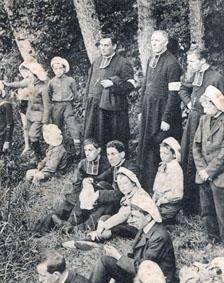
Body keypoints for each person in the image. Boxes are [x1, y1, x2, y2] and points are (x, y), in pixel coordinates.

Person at [89, 193, 178, 283]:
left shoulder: (159, 236)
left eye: (135, 217)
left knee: (105, 261)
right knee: (105, 261)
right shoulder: (145, 228)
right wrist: (114, 278)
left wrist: (118, 256)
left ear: (148, 216)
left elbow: (144, 269)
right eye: (130, 216)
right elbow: (133, 255)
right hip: (143, 276)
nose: (131, 221)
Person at [178, 48, 224, 215]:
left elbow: (221, 103)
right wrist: (189, 103)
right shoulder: (193, 74)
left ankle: (204, 206)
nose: (189, 65)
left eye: (192, 61)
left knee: (204, 158)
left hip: (209, 122)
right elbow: (182, 89)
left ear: (203, 60)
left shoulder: (216, 78)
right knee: (189, 159)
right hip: (193, 120)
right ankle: (189, 205)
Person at [137, 30, 183, 193]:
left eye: (157, 41)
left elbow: (174, 94)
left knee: (157, 146)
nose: (154, 43)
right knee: (145, 145)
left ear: (165, 43)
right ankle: (145, 184)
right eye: (152, 40)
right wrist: (142, 109)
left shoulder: (172, 63)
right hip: (149, 110)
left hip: (162, 112)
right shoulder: (151, 59)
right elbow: (145, 86)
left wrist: (167, 118)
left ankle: (156, 187)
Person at [34, 139, 109, 233]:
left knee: (80, 209)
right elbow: (77, 183)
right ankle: (42, 228)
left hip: (97, 195)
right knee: (64, 207)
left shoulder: (106, 163)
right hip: (81, 191)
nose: (87, 153)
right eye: (85, 150)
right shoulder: (83, 163)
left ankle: (68, 226)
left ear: (98, 150)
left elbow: (107, 183)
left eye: (90, 150)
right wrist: (79, 192)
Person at [82, 34, 135, 150]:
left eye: (106, 45)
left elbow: (131, 85)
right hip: (94, 108)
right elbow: (89, 84)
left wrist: (114, 85)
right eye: (101, 45)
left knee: (110, 139)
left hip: (112, 110)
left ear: (114, 46)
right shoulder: (96, 61)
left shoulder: (122, 62)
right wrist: (85, 105)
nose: (103, 48)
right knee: (92, 138)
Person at [193, 84, 224, 244]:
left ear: (215, 104)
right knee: (207, 210)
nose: (204, 108)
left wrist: (210, 171)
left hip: (220, 176)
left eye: (206, 105)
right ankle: (212, 239)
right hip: (203, 175)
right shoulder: (203, 119)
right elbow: (196, 146)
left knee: (222, 212)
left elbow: (223, 154)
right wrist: (202, 170)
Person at [90, 167, 150, 241]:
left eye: (125, 183)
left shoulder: (138, 196)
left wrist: (105, 226)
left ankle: (97, 237)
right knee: (104, 218)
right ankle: (98, 234)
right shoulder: (128, 195)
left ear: (133, 183)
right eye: (120, 184)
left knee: (114, 229)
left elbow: (123, 215)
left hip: (137, 227)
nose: (122, 187)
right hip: (127, 221)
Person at [48, 56, 82, 157]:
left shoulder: (70, 80)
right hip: (56, 106)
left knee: (72, 124)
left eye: (60, 68)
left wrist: (73, 103)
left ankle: (78, 149)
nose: (58, 71)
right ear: (53, 70)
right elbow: (49, 95)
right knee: (57, 126)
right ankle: (61, 150)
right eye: (55, 69)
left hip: (68, 105)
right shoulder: (51, 82)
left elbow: (75, 94)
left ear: (64, 68)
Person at [152, 137, 184, 223]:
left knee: (149, 218)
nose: (162, 155)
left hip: (169, 205)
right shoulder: (163, 166)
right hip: (159, 202)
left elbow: (177, 194)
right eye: (161, 152)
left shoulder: (175, 169)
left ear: (174, 155)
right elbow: (157, 186)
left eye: (165, 153)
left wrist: (161, 200)